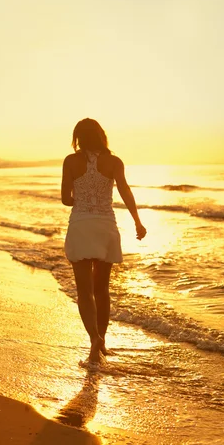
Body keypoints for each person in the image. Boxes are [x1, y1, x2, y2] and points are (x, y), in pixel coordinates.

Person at [61, 118, 147, 362]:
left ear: (78, 137)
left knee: (84, 291)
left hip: (80, 226)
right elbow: (125, 190)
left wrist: (82, 196)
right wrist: (138, 221)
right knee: (102, 290)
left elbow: (66, 199)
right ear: (101, 135)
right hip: (106, 226)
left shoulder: (70, 161)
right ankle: (102, 341)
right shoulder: (114, 162)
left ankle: (93, 340)